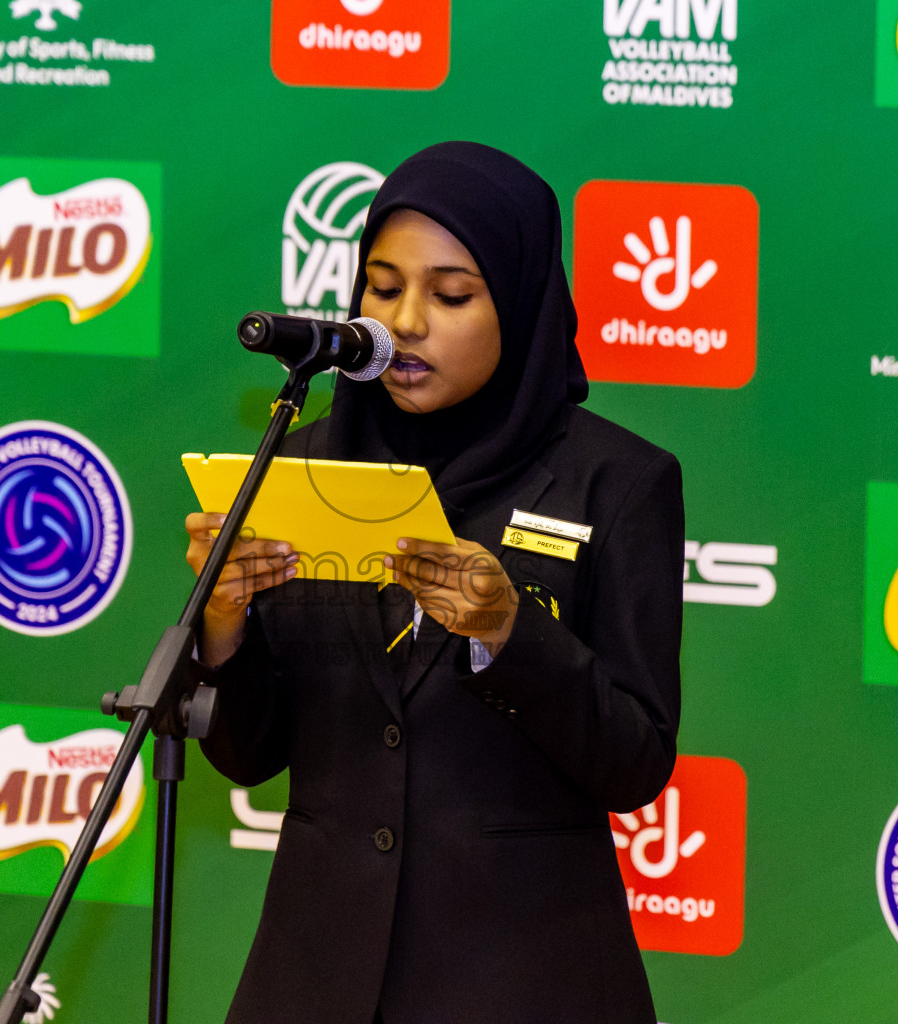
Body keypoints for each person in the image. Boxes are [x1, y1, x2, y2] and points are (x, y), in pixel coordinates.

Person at [186, 141, 683, 1024]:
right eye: (384, 288)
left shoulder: (616, 482)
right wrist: (222, 628)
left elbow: (637, 760)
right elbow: (249, 752)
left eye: (450, 294)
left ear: (521, 308)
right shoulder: (299, 462)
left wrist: (509, 634)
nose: (406, 321)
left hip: (524, 980)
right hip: (315, 979)